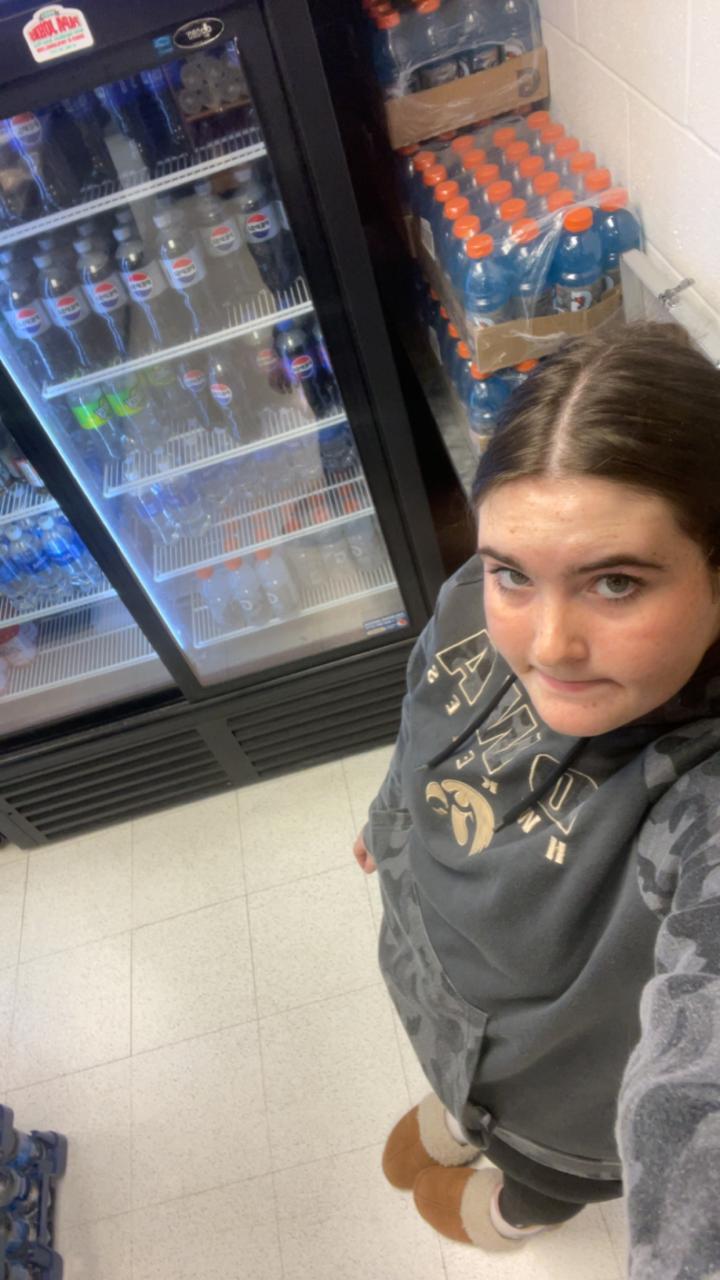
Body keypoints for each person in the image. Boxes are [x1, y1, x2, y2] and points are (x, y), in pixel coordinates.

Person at [354, 321, 720, 1279]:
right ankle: (459, 1111)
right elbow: (430, 702)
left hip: (562, 1104)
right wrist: (390, 812)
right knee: (462, 1098)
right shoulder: (485, 589)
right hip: (448, 1006)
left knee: (541, 1177)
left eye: (616, 582)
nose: (548, 644)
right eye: (514, 572)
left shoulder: (703, 797)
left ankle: (507, 1213)